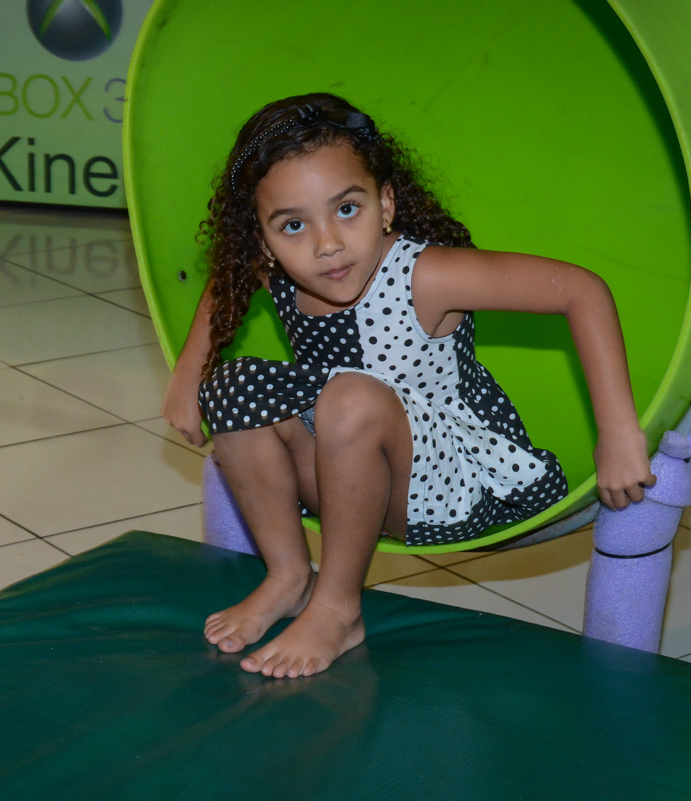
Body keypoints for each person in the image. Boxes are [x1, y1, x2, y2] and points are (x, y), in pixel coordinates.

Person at [161, 93, 654, 679]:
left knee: (349, 397)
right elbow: (227, 278)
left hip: (452, 485)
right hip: (345, 476)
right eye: (294, 225)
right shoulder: (279, 271)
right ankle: (289, 576)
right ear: (264, 242)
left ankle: (339, 607)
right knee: (234, 385)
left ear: (386, 202)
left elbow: (582, 290)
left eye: (347, 209)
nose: (327, 244)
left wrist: (619, 432)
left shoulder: (425, 274)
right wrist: (190, 372)